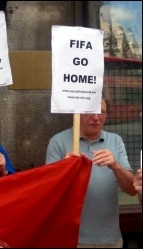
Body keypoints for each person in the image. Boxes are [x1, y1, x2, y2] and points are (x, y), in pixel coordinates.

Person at [45, 95, 136, 248]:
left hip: (109, 237)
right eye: (90, 112)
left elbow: (132, 189)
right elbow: (48, 192)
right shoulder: (58, 141)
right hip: (72, 236)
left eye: (102, 112)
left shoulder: (115, 140)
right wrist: (64, 169)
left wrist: (115, 166)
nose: (96, 117)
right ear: (78, 114)